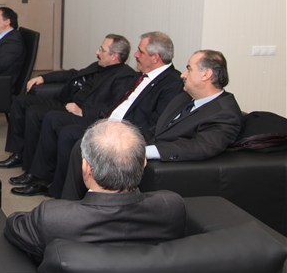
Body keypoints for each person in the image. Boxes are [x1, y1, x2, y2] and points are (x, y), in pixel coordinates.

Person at [15, 31, 183, 197]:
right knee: (53, 119)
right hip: (105, 120)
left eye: (141, 51)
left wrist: (119, 134)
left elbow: (156, 124)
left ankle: (61, 193)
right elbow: (113, 102)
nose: (136, 55)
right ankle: (42, 178)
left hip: (122, 133)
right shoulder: (140, 76)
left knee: (68, 134)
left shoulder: (171, 83)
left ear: (155, 58)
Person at [60, 49, 244, 200]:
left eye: (189, 69)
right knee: (83, 145)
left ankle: (74, 209)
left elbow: (200, 147)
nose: (183, 75)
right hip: (145, 144)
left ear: (206, 74)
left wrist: (142, 151)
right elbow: (157, 129)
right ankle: (71, 205)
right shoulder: (183, 98)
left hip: (162, 160)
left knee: (88, 150)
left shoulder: (225, 112)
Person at [4, 119, 186, 264]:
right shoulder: (172, 206)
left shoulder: (52, 217)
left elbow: (13, 226)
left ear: (86, 168)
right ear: (144, 163)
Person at [0, 35, 136, 176]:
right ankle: (19, 154)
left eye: (102, 50)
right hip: (65, 100)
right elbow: (73, 74)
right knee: (20, 101)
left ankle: (34, 171)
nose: (97, 52)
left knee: (35, 113)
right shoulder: (99, 66)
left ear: (114, 56)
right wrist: (44, 77)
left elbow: (113, 107)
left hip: (79, 112)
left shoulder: (123, 76)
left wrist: (83, 111)